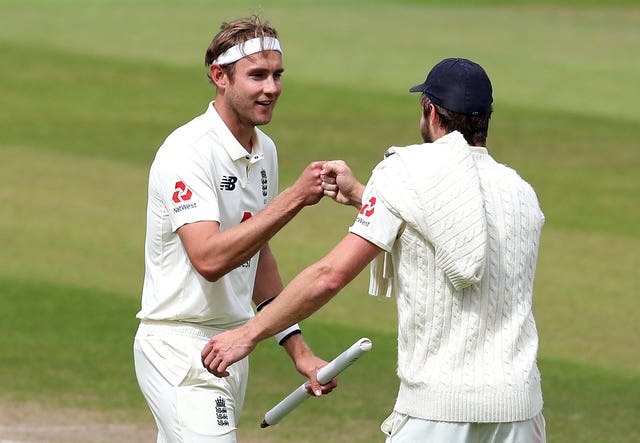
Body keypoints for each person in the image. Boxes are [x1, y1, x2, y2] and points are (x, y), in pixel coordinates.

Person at [202, 57, 547, 442]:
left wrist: (246, 335)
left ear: (430, 112)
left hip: (440, 411)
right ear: (487, 117)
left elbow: (329, 276)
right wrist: (365, 198)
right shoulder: (520, 191)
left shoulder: (405, 170)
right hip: (521, 411)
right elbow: (451, 237)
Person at [133, 15, 336, 443]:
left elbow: (258, 256)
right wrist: (295, 198)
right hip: (179, 346)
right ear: (219, 77)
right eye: (257, 75)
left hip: (232, 346)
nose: (271, 88)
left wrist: (299, 352)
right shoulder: (187, 152)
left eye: (277, 75)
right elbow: (208, 259)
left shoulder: (265, 151)